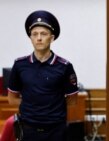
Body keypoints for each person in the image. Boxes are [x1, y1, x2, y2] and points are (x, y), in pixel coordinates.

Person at [7, 10, 79, 141]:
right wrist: (34, 105)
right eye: (35, 34)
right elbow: (12, 99)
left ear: (52, 37)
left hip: (56, 131)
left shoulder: (65, 66)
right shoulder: (19, 65)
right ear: (30, 38)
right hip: (27, 131)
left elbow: (72, 100)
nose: (39, 38)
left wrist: (51, 106)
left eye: (43, 34)